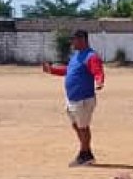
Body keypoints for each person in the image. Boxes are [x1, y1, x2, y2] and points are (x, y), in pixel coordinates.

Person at [43, 28, 105, 165]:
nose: (72, 43)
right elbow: (69, 71)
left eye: (74, 40)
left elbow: (98, 71)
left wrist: (99, 82)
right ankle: (86, 153)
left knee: (83, 127)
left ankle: (84, 154)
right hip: (72, 98)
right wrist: (51, 70)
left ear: (82, 39)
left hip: (83, 99)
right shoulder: (76, 56)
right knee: (76, 126)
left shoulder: (91, 56)